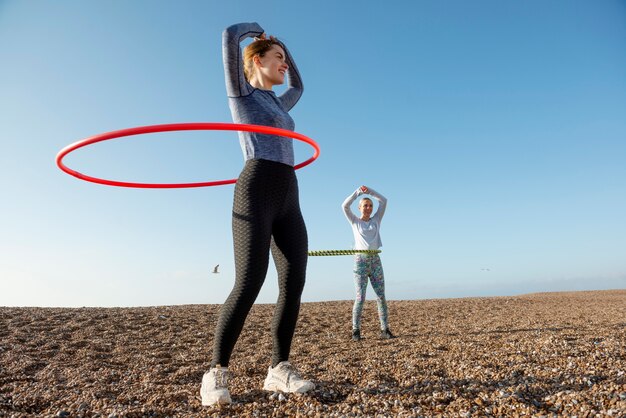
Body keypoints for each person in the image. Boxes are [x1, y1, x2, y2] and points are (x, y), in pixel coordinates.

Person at [200, 22, 314, 406]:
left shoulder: (279, 102)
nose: (283, 64)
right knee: (250, 281)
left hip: (288, 192)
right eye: (277, 58)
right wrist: (256, 32)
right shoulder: (242, 94)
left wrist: (285, 47)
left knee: (294, 279)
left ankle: (278, 369)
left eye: (284, 59)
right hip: (256, 186)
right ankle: (216, 372)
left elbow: (299, 86)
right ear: (256, 61)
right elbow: (230, 36)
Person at [342, 186, 394, 341]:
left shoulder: (376, 220)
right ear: (359, 208)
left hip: (375, 261)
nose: (368, 208)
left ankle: (385, 330)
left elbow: (384, 201)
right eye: (365, 205)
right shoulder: (355, 222)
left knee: (381, 296)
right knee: (360, 297)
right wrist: (358, 193)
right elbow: (344, 206)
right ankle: (356, 331)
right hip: (361, 262)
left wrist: (369, 192)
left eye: (370, 205)